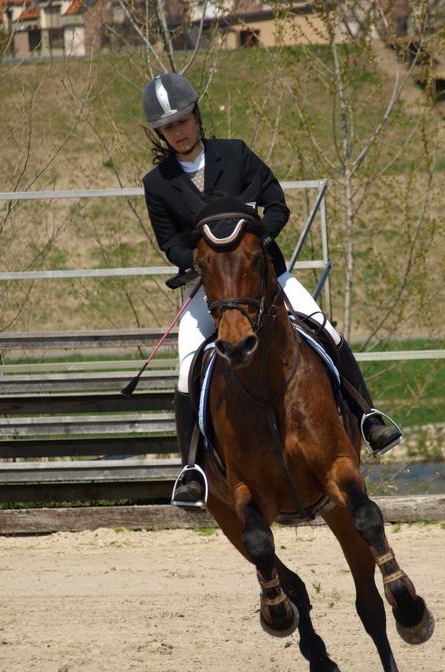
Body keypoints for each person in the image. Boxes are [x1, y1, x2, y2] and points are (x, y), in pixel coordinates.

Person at [141, 73, 402, 507]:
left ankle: (369, 418)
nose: (179, 131)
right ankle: (191, 468)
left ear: (196, 116)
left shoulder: (236, 153)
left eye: (183, 120)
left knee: (325, 330)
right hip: (213, 292)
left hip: (267, 279)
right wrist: (201, 261)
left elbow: (276, 202)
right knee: (187, 367)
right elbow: (169, 241)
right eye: (168, 127)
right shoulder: (158, 183)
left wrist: (258, 244)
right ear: (160, 133)